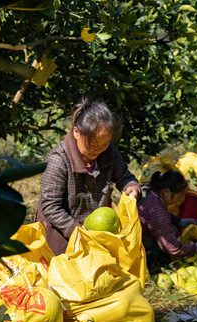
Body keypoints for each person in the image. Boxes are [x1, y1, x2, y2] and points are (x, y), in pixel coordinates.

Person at [36, 98, 142, 255]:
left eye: (104, 144)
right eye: (93, 144)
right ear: (76, 132)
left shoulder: (109, 152)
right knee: (66, 273)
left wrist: (132, 188)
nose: (98, 149)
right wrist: (76, 231)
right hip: (61, 231)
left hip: (98, 229)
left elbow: (124, 177)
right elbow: (50, 206)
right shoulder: (59, 160)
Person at [138, 170, 197, 268]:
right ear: (167, 191)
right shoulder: (157, 211)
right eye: (179, 195)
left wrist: (179, 221)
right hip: (134, 246)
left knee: (173, 227)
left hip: (126, 234)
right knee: (173, 230)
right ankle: (146, 263)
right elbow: (172, 247)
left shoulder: (149, 189)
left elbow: (154, 216)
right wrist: (196, 247)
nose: (180, 199)